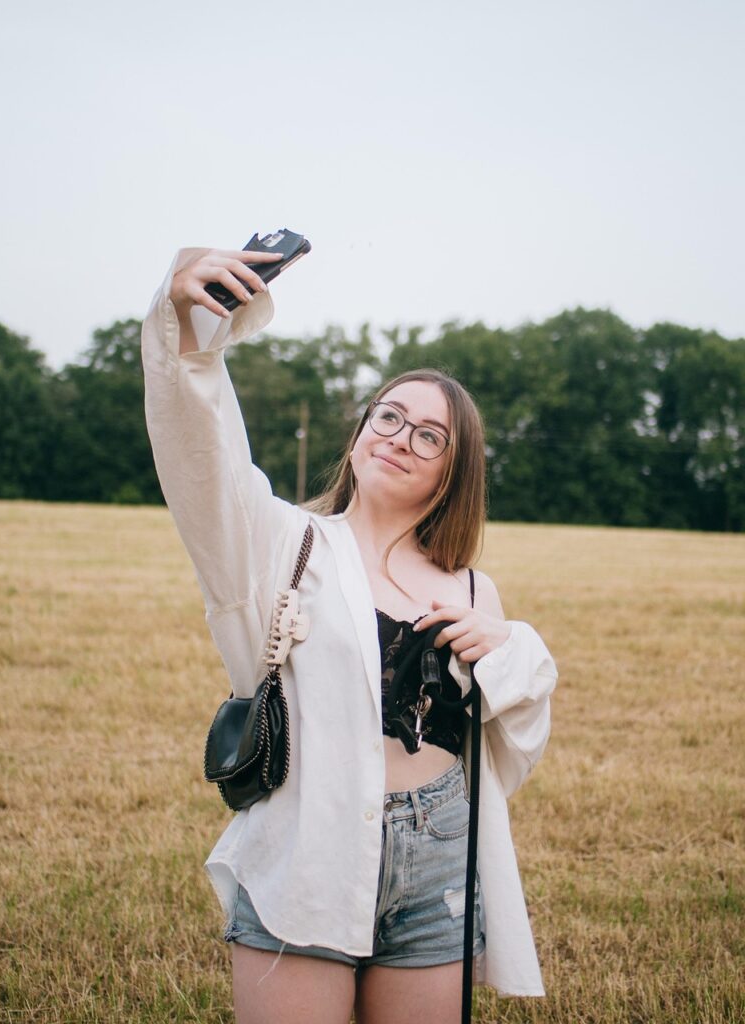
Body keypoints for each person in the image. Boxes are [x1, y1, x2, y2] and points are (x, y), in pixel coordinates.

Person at [141, 246, 558, 1024]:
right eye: (389, 416)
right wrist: (193, 329)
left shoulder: (472, 589)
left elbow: (516, 747)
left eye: (429, 435)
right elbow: (205, 460)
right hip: (307, 848)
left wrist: (510, 646)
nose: (400, 436)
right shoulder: (279, 545)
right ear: (363, 430)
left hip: (439, 861)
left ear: (452, 471)